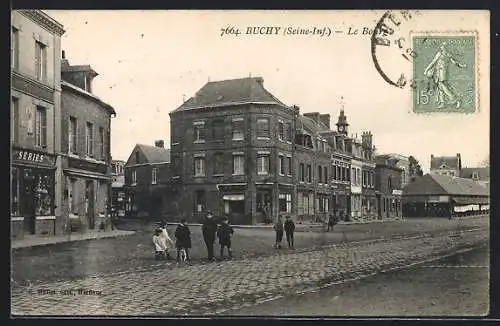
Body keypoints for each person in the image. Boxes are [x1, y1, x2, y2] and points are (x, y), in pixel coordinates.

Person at [423, 41, 467, 109]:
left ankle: (456, 100)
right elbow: (455, 62)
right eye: (442, 46)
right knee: (440, 87)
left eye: (443, 46)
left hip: (441, 72)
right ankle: (442, 103)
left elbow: (433, 62)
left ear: (444, 47)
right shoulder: (448, 54)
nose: (442, 47)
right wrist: (462, 66)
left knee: (443, 87)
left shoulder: (441, 54)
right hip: (440, 72)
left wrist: (426, 70)